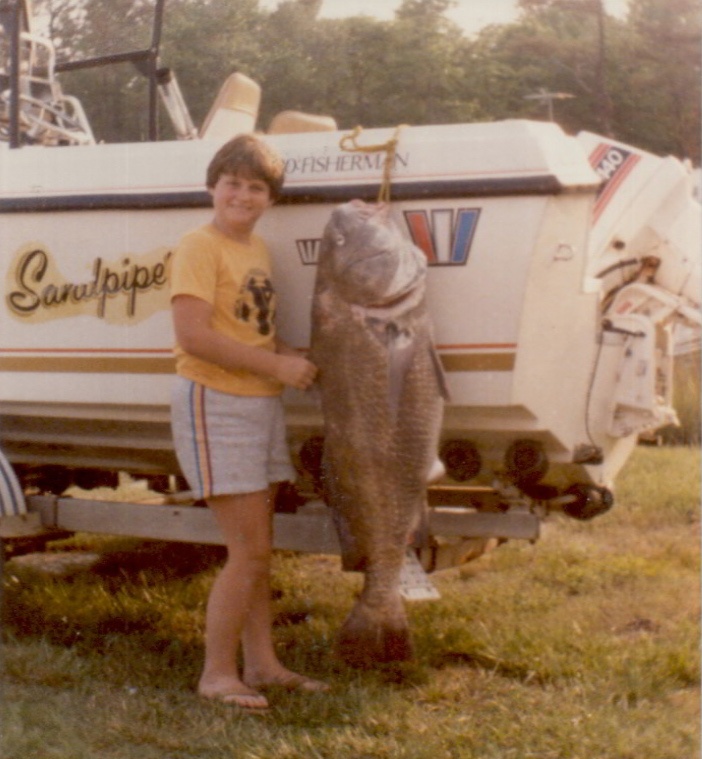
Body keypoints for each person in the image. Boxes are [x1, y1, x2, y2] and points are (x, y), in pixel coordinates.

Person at [169, 133, 328, 711]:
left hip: (259, 402)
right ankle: (217, 674)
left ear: (270, 199)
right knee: (249, 551)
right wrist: (277, 365)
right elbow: (194, 337)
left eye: (255, 187)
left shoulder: (255, 249)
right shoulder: (198, 244)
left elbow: (249, 330)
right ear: (212, 186)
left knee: (257, 549)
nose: (241, 194)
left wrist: (291, 354)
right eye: (232, 182)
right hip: (216, 404)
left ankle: (263, 665)